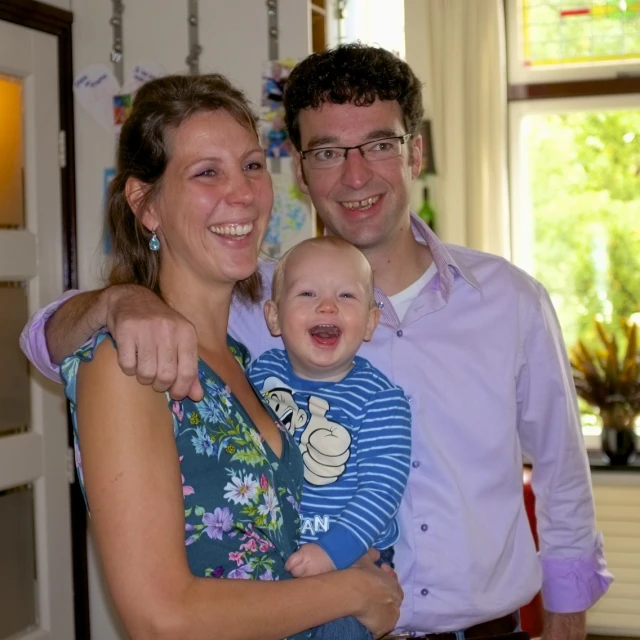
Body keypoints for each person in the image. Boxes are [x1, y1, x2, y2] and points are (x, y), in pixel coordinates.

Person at [21, 44, 612, 639]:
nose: (356, 176)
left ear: (417, 151)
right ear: (301, 170)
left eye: (381, 144)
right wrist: (116, 301)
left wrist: (567, 618)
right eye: (327, 152)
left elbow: (562, 476)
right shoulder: (255, 304)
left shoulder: (509, 301)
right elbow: (48, 343)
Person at [51, 72, 402, 640]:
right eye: (206, 172)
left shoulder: (249, 358)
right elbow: (160, 618)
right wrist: (352, 591)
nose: (242, 193)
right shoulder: (130, 361)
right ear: (145, 204)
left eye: (252, 165)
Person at [247, 236, 412, 582]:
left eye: (346, 295)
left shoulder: (381, 400)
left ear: (370, 322)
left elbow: (381, 492)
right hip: (268, 560)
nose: (327, 307)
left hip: (351, 559)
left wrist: (332, 552)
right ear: (274, 318)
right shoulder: (259, 375)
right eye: (307, 293)